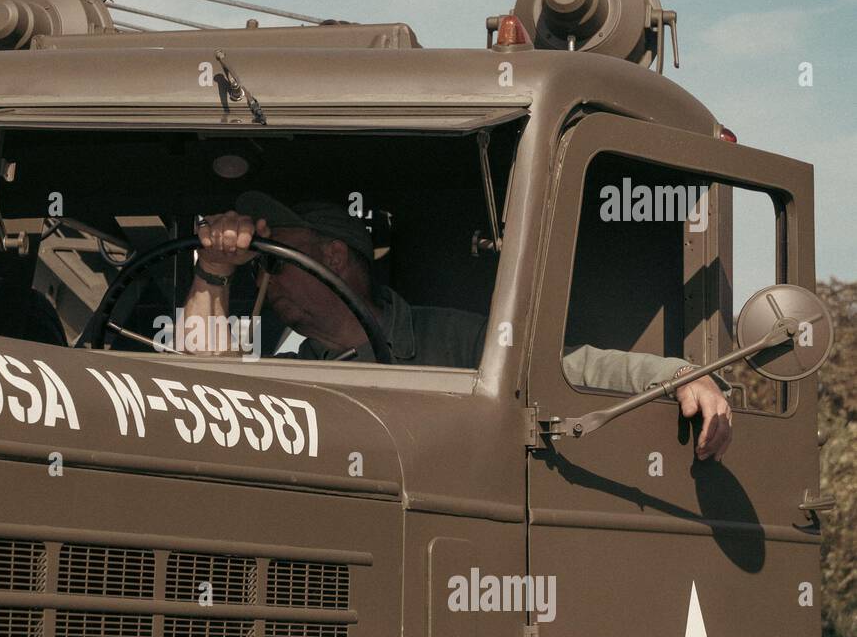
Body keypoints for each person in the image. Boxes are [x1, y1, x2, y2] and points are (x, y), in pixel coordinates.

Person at [183, 191, 733, 461]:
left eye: (274, 261)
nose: (264, 279)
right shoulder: (298, 373)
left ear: (332, 256)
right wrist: (212, 271)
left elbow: (571, 367)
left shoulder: (454, 339)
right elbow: (203, 398)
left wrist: (682, 373)